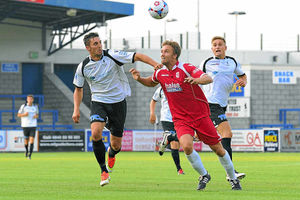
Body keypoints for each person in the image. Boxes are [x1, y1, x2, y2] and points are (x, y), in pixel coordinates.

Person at [130, 40, 242, 190]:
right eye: (162, 51)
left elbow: (208, 78)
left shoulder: (186, 68)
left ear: (175, 55)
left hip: (201, 115)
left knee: (219, 149)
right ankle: (204, 175)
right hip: (180, 119)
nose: (162, 54)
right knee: (187, 147)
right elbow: (151, 82)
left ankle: (233, 178)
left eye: (166, 51)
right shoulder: (160, 72)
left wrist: (196, 80)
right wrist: (139, 79)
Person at [72, 32, 161, 187]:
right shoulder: (83, 66)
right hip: (98, 102)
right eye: (95, 44)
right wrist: (76, 109)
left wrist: (155, 65)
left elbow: (138, 56)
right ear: (88, 48)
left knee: (116, 145)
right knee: (95, 132)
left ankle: (111, 154)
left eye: (100, 42)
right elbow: (78, 89)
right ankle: (103, 170)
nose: (99, 46)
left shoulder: (112, 55)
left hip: (118, 103)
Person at [201, 36, 247, 180]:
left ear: (225, 47)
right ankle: (231, 173)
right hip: (210, 103)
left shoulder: (232, 62)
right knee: (227, 134)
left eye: (220, 44)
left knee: (205, 136)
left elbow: (243, 75)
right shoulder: (206, 63)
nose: (217, 47)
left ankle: (172, 136)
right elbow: (196, 77)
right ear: (212, 48)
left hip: (222, 104)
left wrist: (243, 81)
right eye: (214, 45)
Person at [149, 86, 184, 175]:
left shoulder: (181, 86)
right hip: (167, 118)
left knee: (179, 141)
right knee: (175, 143)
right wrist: (152, 113)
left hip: (180, 118)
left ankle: (164, 142)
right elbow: (153, 100)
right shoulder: (161, 88)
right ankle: (179, 169)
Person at [17, 94, 39, 160]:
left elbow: (37, 115)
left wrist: (36, 116)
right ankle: (26, 150)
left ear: (32, 100)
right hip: (25, 125)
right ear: (27, 100)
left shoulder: (35, 106)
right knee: (26, 140)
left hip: (33, 125)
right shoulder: (23, 106)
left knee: (32, 140)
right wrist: (24, 114)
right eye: (28, 99)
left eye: (31, 99)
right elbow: (18, 115)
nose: (29, 100)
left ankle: (30, 155)